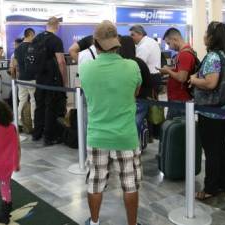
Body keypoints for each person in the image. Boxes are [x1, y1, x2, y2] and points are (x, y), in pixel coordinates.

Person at [79, 20, 142, 225]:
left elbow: (89, 95)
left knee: (95, 183)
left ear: (96, 44)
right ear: (117, 42)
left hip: (97, 135)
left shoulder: (87, 69)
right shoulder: (132, 66)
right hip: (125, 135)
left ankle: (95, 222)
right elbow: (134, 94)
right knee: (130, 184)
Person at [189, 21, 225, 200]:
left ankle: (210, 188)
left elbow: (210, 83)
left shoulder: (213, 57)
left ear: (211, 37)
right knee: (222, 147)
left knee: (211, 150)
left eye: (205, 33)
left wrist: (194, 80)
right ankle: (224, 184)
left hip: (212, 111)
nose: (203, 36)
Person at [32, 17, 67, 146]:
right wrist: (64, 81)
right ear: (57, 26)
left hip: (39, 79)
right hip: (52, 80)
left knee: (39, 106)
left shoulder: (37, 38)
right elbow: (61, 62)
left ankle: (37, 134)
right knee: (50, 107)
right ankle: (49, 137)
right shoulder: (56, 40)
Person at [157, 28, 197, 119]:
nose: (169, 47)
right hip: (178, 99)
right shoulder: (183, 52)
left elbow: (182, 77)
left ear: (174, 39)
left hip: (180, 99)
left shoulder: (184, 54)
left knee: (176, 129)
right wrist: (170, 69)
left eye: (168, 43)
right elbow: (181, 70)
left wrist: (168, 71)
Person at [118, 35, 153, 137]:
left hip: (125, 100)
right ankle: (136, 147)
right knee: (136, 124)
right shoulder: (140, 62)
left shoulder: (120, 64)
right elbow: (147, 81)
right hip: (141, 99)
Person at [14, 28, 36, 127]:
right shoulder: (33, 47)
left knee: (22, 100)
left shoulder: (17, 48)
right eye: (34, 36)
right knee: (33, 100)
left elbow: (15, 64)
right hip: (32, 78)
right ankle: (33, 122)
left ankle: (19, 121)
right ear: (30, 35)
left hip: (21, 78)